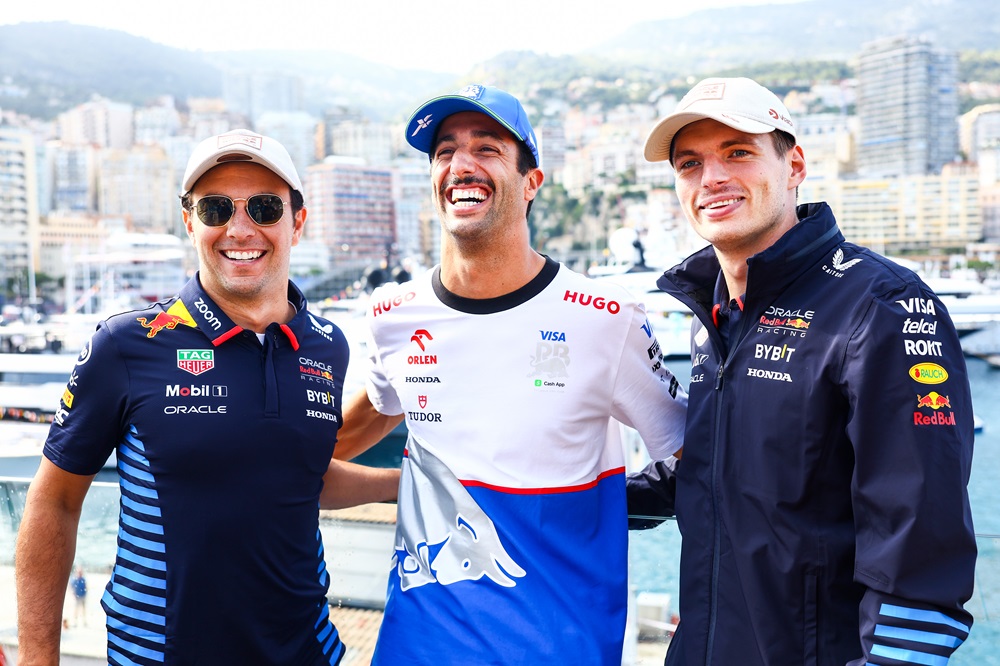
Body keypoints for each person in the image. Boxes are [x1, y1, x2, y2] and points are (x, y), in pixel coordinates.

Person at [331, 84, 688, 664]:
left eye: (488, 148)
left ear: (531, 183)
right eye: (445, 151)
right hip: (415, 647)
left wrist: (597, 506)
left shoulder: (606, 317)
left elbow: (689, 456)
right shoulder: (394, 315)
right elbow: (343, 435)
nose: (460, 164)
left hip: (559, 647)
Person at [15, 129, 399, 665]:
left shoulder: (327, 345)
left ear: (298, 222)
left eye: (265, 207)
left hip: (308, 653)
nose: (240, 228)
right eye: (217, 208)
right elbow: (53, 503)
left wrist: (410, 486)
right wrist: (38, 660)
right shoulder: (127, 344)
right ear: (190, 220)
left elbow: (297, 475)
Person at [628, 77, 977, 665]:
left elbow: (921, 542)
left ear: (794, 165)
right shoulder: (716, 308)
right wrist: (554, 499)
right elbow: (715, 469)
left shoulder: (882, 306)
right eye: (690, 163)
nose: (711, 177)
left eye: (738, 152)